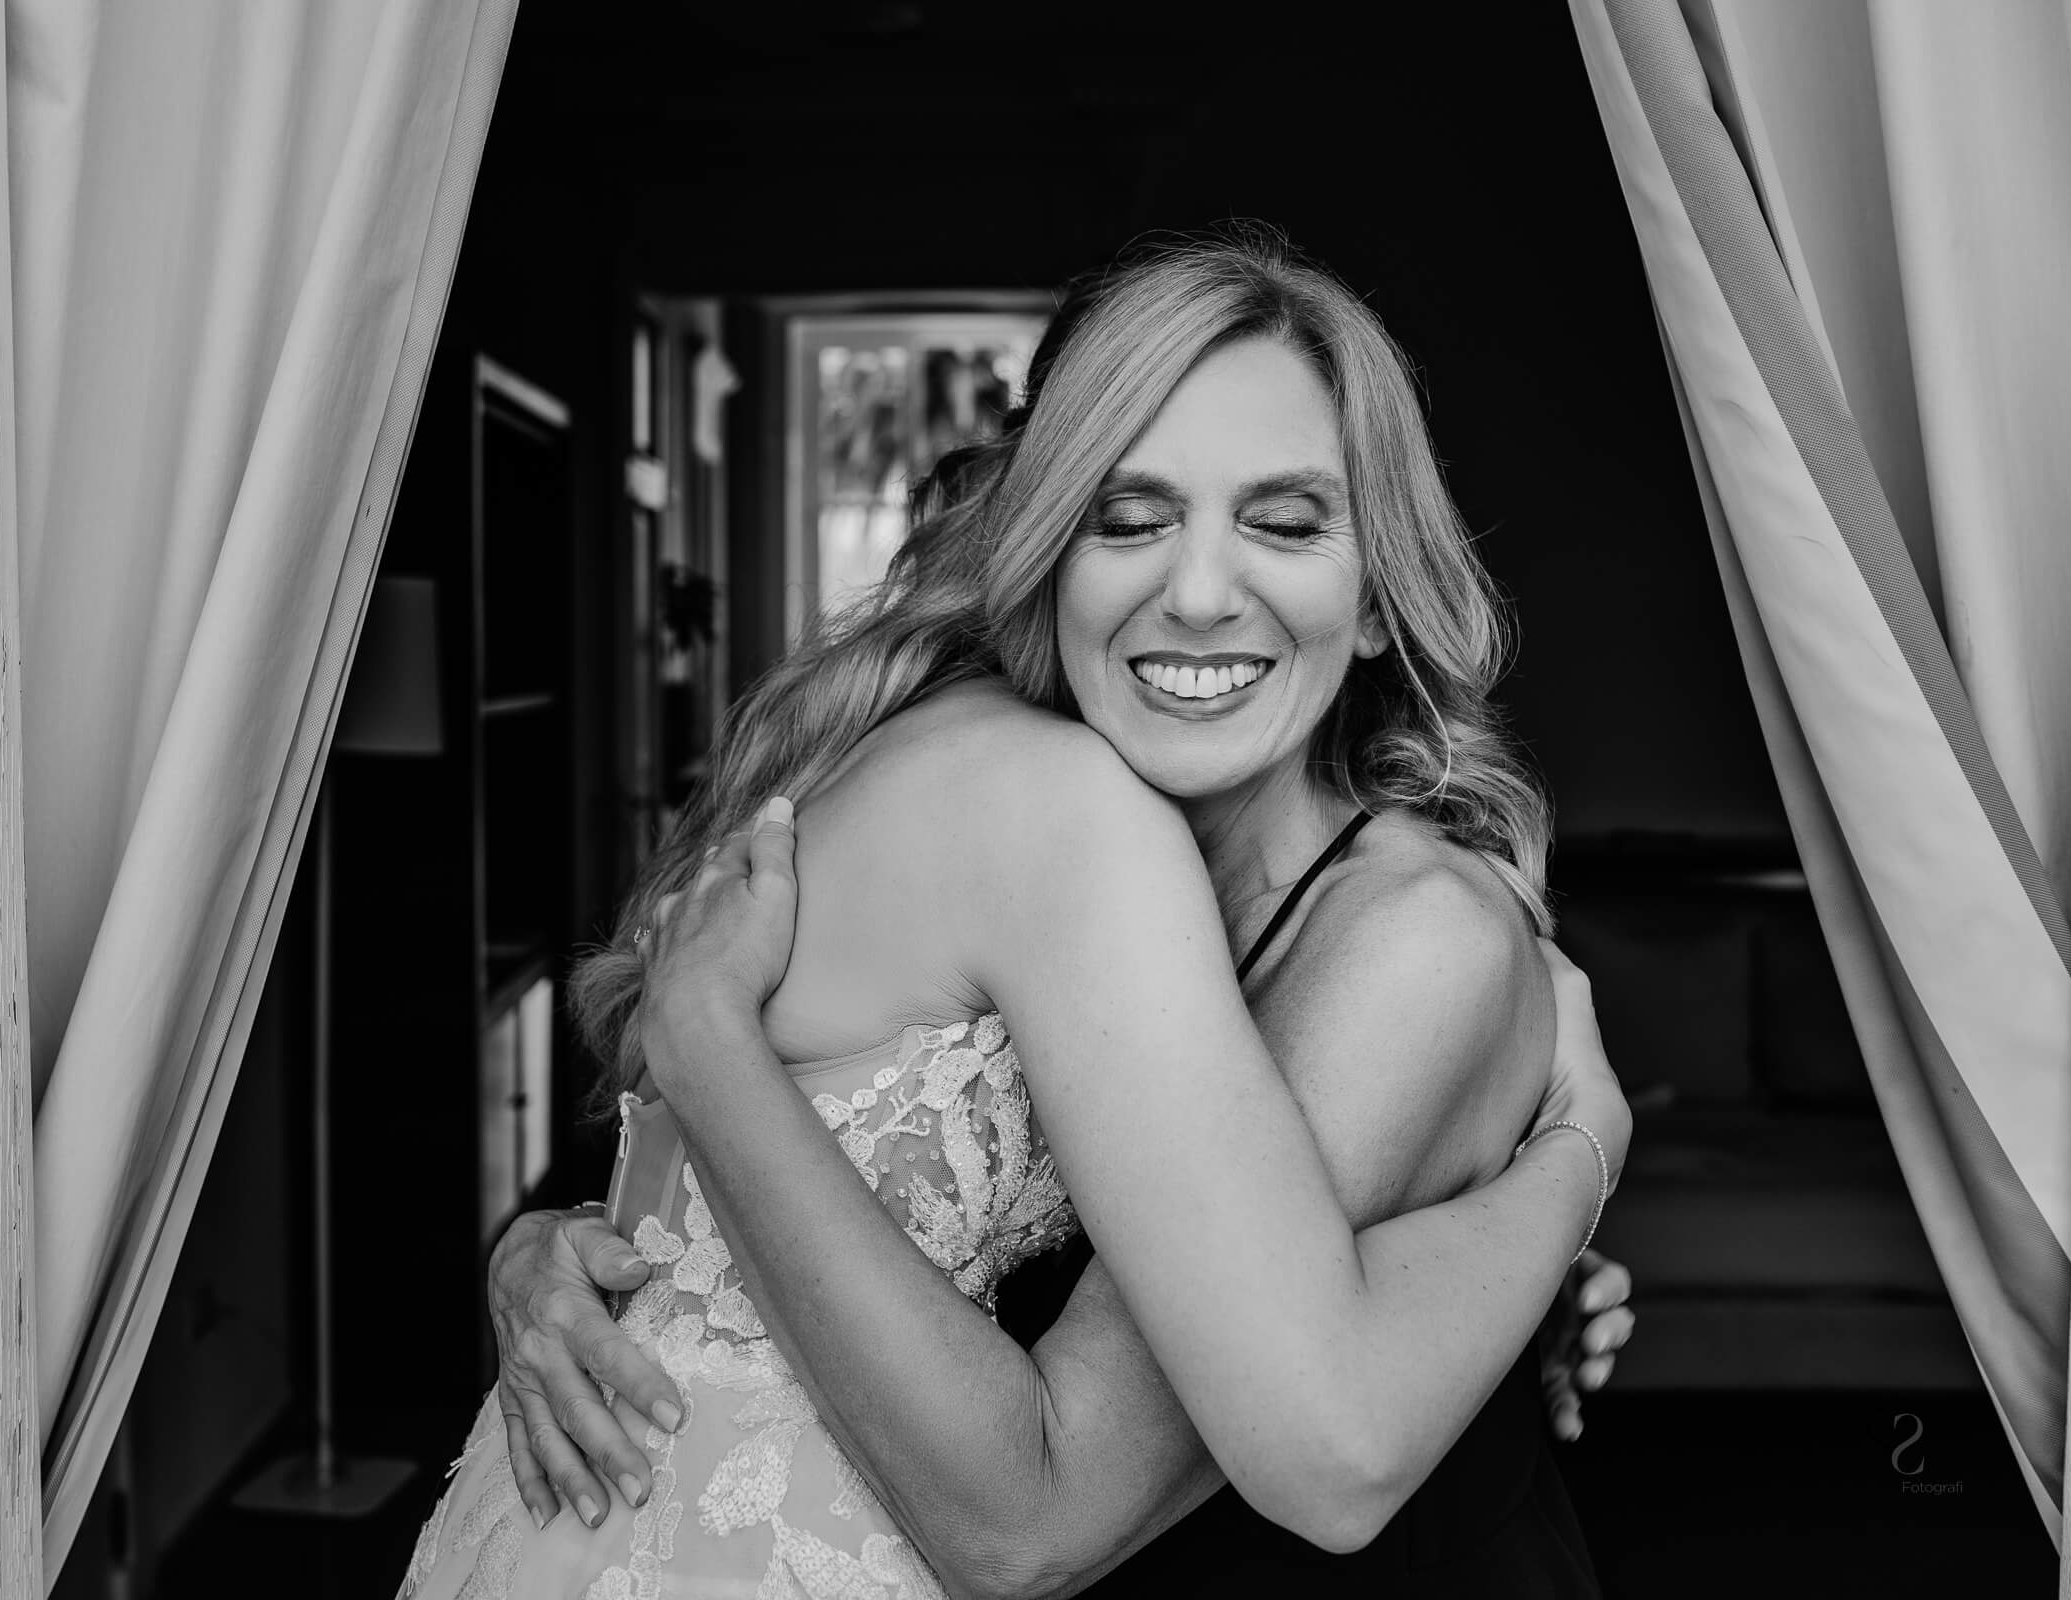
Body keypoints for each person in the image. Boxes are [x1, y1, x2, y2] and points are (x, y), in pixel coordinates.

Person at [399, 228, 1635, 1600]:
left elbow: (1202, 1475)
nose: (1200, 595)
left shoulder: (1406, 932)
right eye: (1129, 518)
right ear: (1049, 554)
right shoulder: (1047, 825)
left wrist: (1578, 1151)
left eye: (1285, 524)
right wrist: (564, 1245)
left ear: (1376, 602)